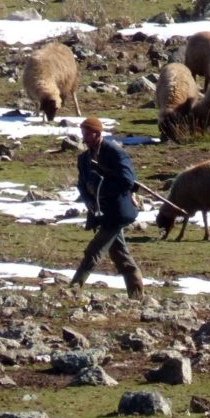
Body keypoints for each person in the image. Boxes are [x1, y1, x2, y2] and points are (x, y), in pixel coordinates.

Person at [71, 116, 144, 299]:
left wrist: (101, 191)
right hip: (101, 213)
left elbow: (127, 181)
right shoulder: (84, 158)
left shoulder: (116, 153)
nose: (84, 137)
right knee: (121, 256)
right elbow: (82, 183)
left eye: (87, 133)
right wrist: (88, 198)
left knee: (93, 251)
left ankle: (73, 288)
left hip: (117, 212)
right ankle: (136, 295)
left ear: (97, 134)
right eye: (83, 133)